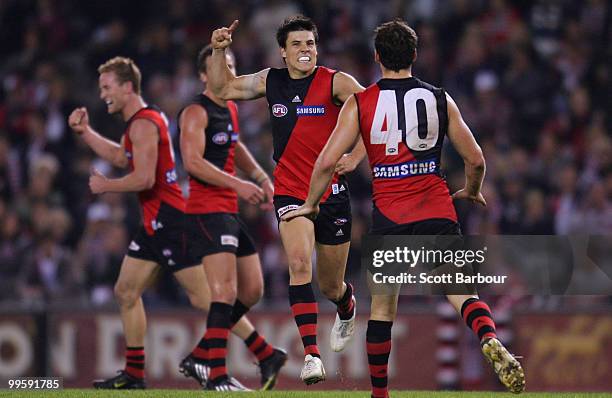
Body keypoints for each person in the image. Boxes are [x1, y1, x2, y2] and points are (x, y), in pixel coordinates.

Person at [282, 20, 526, 397]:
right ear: (414, 55)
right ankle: (489, 337)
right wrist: (471, 190)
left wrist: (311, 204)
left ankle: (380, 394)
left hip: (390, 217)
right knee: (462, 293)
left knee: (382, 310)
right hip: (437, 210)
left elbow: (327, 161)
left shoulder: (360, 103)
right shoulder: (439, 98)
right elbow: (475, 158)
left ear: (377, 57)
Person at [208, 15, 365, 384]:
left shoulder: (336, 81)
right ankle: (311, 354)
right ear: (283, 52)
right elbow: (224, 89)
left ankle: (345, 303)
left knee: (330, 285)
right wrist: (219, 51)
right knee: (298, 262)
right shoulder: (271, 80)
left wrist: (356, 156)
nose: (304, 50)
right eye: (296, 44)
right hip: (292, 189)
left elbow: (373, 114)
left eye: (309, 43)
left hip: (332, 192)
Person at [68, 57, 208, 390]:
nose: (103, 94)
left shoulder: (143, 124)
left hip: (169, 220)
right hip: (156, 222)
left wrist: (107, 186)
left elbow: (144, 178)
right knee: (125, 291)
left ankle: (263, 352)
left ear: (128, 87)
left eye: (107, 87)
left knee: (204, 300)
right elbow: (120, 158)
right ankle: (134, 375)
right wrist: (86, 132)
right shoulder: (142, 122)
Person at [177, 44, 287, 391]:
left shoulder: (231, 109)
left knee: (252, 289)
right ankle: (217, 375)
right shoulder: (195, 112)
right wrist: (239, 184)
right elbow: (192, 162)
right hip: (206, 211)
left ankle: (211, 356)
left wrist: (261, 176)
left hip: (228, 210)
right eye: (219, 64)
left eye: (230, 65)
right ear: (203, 74)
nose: (225, 70)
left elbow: (234, 145)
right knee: (223, 292)